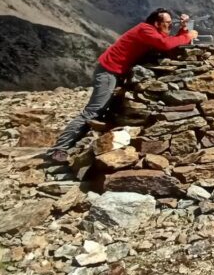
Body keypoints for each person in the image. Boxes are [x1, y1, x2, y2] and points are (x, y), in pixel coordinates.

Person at [46, 9, 198, 163]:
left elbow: (167, 42)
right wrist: (188, 35)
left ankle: (76, 145)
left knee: (105, 111)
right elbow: (165, 44)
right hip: (108, 71)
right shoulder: (145, 29)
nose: (170, 26)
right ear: (156, 23)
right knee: (94, 111)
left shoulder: (152, 31)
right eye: (168, 23)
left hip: (116, 72)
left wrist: (183, 29)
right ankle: (59, 149)